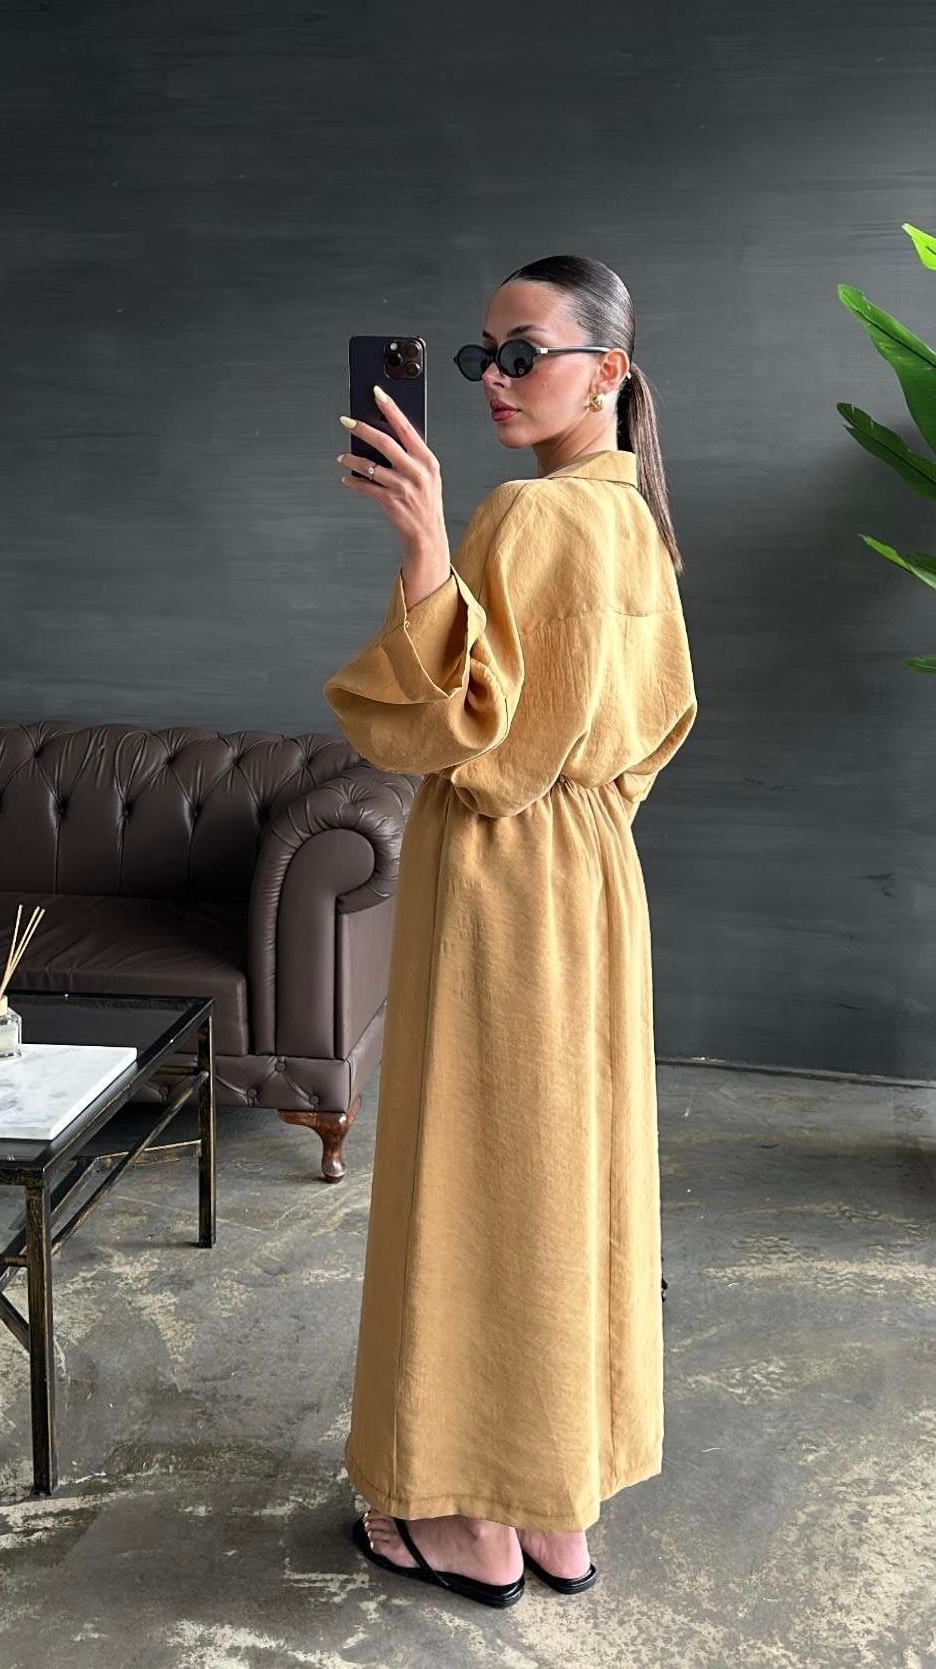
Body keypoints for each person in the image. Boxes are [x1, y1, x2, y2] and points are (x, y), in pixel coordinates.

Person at [322, 254, 698, 1608]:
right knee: (566, 1173)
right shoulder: (635, 520)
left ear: (608, 371)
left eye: (525, 353)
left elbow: (460, 741)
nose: (493, 378)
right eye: (485, 354)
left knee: (475, 1178)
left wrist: (427, 548)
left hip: (497, 879)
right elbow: (656, 725)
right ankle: (555, 1508)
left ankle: (466, 1515)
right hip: (595, 876)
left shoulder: (527, 516)